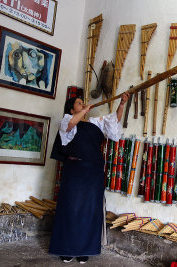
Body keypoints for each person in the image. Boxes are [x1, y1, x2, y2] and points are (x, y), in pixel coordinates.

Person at [49, 93, 130, 264]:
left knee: (89, 210)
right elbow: (71, 123)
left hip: (93, 173)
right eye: (79, 103)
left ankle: (84, 250)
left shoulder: (95, 123)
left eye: (83, 103)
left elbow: (113, 125)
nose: (84, 105)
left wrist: (121, 104)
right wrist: (85, 110)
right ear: (71, 109)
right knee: (71, 208)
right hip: (75, 170)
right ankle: (66, 249)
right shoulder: (66, 121)